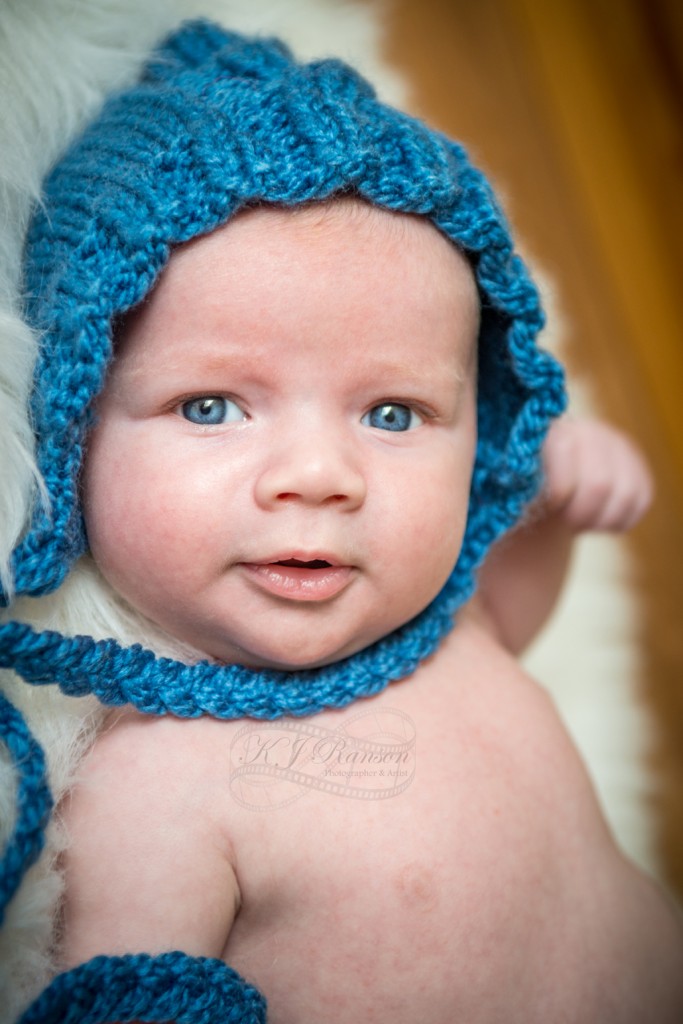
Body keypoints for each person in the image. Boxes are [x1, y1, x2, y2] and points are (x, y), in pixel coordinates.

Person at [2, 19, 682, 1024]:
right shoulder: (153, 786)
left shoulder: (442, 623)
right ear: (71, 430)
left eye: (392, 413)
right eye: (210, 406)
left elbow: (511, 625)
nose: (321, 477)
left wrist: (550, 511)